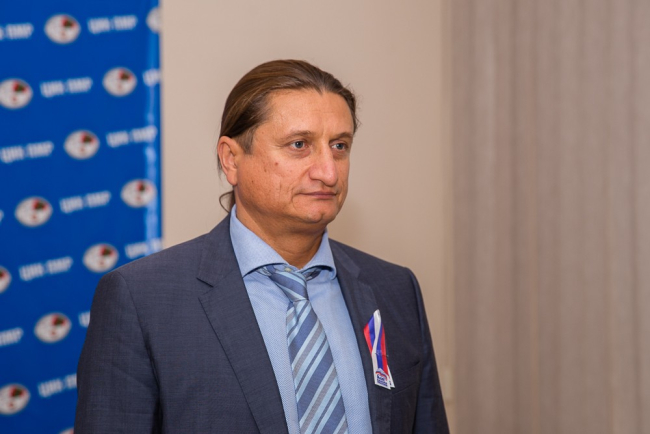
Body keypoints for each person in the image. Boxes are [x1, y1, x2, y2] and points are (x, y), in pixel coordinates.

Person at [75, 59, 449, 434]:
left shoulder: (395, 289)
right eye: (299, 145)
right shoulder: (142, 300)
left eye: (339, 146)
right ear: (231, 159)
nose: (329, 171)